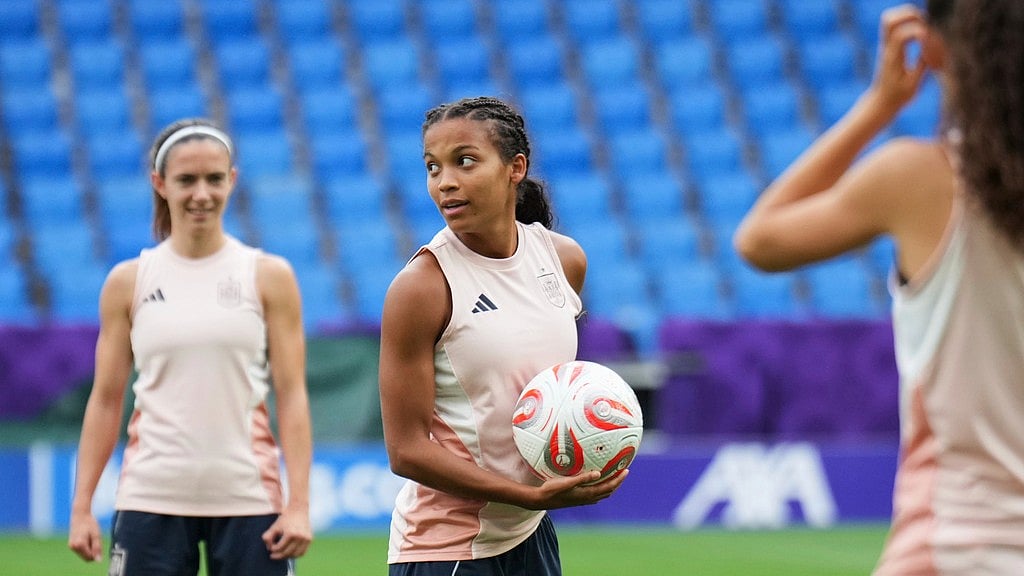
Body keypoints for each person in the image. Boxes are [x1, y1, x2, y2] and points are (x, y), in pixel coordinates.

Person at [734, 0, 1024, 573]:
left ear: (933, 46)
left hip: (956, 545)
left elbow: (759, 239)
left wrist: (879, 105)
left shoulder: (917, 178)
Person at [378, 96, 627, 575]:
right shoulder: (422, 287)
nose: (445, 182)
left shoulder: (564, 260)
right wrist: (528, 494)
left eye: (465, 161)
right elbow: (406, 450)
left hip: (530, 536)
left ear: (515, 168)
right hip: (449, 551)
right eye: (433, 167)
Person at [67, 118, 313, 574]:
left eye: (214, 179)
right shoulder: (128, 282)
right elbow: (105, 399)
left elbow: (293, 393)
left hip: (249, 498)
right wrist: (82, 505)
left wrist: (298, 503)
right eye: (186, 180)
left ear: (232, 181)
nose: (201, 193)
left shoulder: (268, 276)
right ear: (159, 184)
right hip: (149, 496)